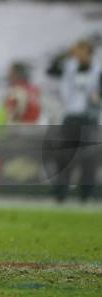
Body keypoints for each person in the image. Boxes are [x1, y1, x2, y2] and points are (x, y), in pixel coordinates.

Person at [54, 40, 100, 202]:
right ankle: (61, 193)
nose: (78, 55)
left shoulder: (97, 70)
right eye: (77, 51)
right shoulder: (69, 67)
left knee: (89, 158)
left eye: (82, 51)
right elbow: (53, 70)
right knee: (65, 156)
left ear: (89, 52)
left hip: (89, 117)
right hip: (71, 115)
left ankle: (86, 195)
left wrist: (97, 98)